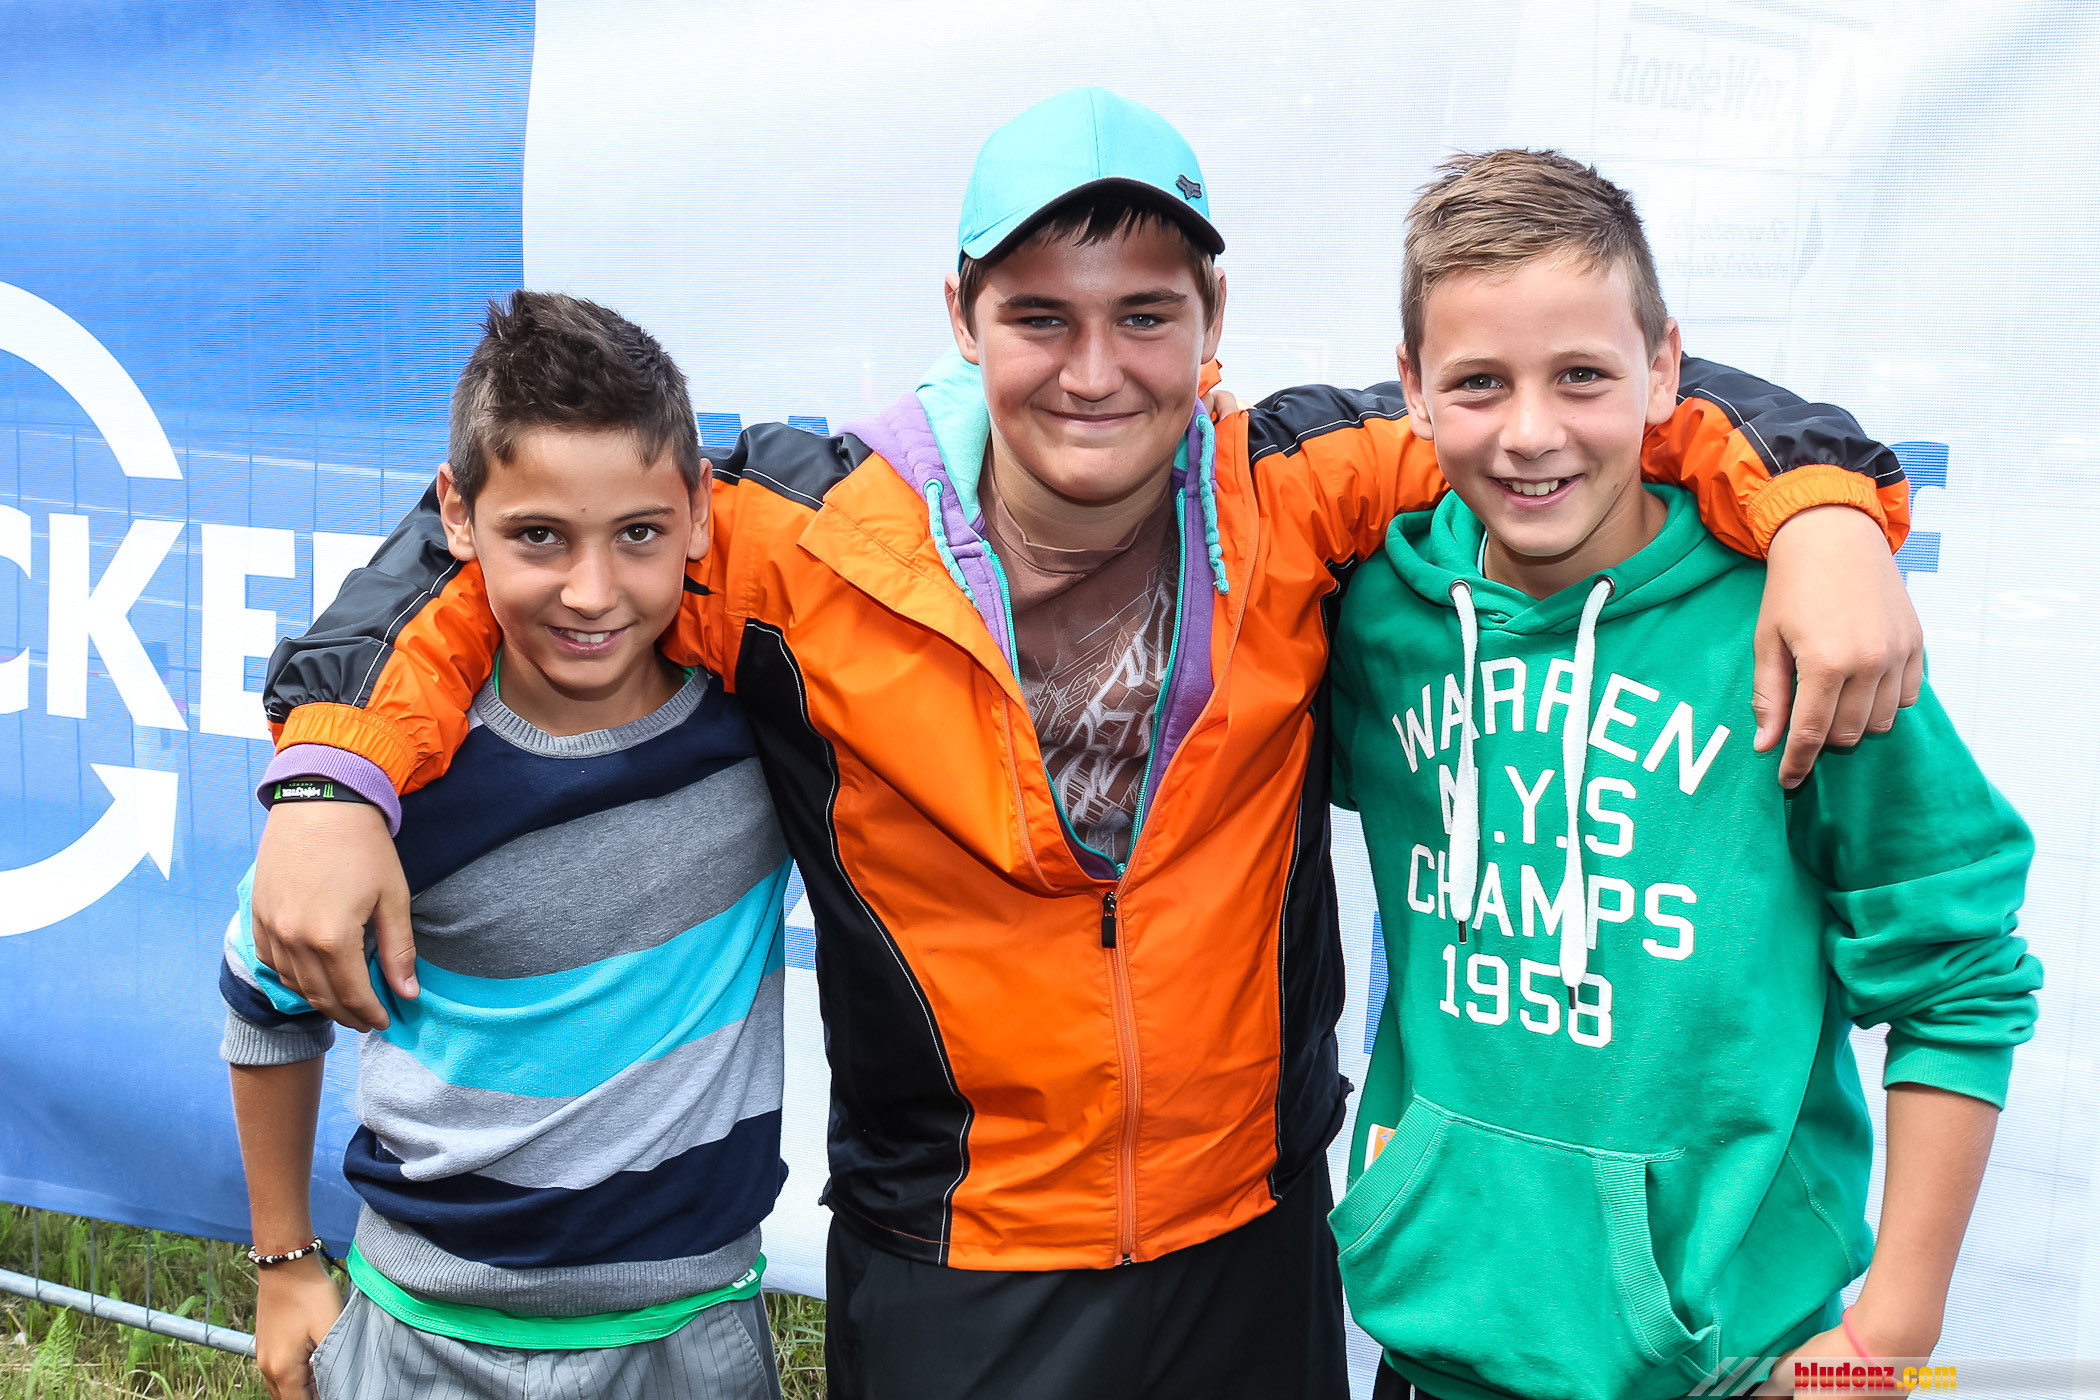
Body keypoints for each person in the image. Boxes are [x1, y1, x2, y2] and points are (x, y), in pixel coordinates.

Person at [245, 91, 1926, 1399]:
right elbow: (504, 533)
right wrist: (331, 777)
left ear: (1212, 319)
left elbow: (1595, 403)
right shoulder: (800, 533)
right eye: (1042, 315)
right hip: (955, 1261)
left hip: (1249, 1238)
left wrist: (1826, 513)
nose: (1095, 369)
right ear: (962, 312)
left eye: (1145, 314)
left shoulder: (1298, 484)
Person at [1327, 149, 2041, 1400]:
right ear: (1414, 390)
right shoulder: (1379, 615)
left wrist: (1892, 1331)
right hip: (1435, 1350)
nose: (1532, 431)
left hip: (1728, 1364)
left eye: (1583, 375)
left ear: (1665, 371)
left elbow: (1959, 974)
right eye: (1480, 381)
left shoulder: (1803, 631)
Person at [221, 292, 790, 1400]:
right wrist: (284, 1264)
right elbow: (262, 998)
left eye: (638, 533)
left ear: (699, 513)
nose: (592, 591)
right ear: (457, 514)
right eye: (539, 536)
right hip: (416, 1341)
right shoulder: (386, 781)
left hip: (693, 1337)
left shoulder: (768, 725)